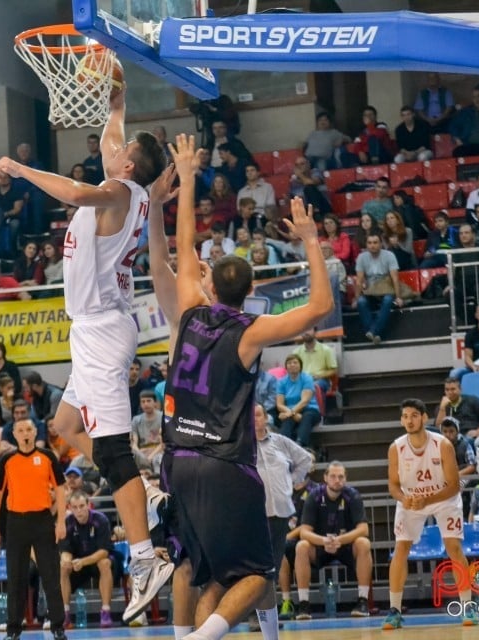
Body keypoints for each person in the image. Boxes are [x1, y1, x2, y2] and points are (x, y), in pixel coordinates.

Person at [0, 92, 173, 624]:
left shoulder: (114, 190)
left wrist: (18, 166)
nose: (106, 149)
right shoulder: (129, 182)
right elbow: (115, 130)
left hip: (101, 330)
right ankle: (151, 497)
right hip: (94, 326)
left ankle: (142, 560)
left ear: (128, 164)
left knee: (113, 453)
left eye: (116, 150)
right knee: (64, 423)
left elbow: (71, 191)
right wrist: (115, 94)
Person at [165, 133, 332, 640]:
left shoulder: (192, 307)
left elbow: (185, 240)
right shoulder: (250, 334)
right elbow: (321, 305)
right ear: (252, 292)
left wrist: (189, 178)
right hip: (221, 463)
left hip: (175, 459)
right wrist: (308, 238)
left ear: (212, 284)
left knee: (210, 574)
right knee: (259, 575)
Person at [384, 398, 477, 629]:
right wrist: (404, 498)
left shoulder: (442, 444)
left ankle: (468, 605)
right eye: (405, 416)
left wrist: (427, 499)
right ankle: (394, 609)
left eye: (414, 415)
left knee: (454, 547)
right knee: (401, 548)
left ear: (424, 418)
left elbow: (455, 485)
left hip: (444, 499)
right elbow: (393, 485)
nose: (409, 420)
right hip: (411, 499)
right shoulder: (396, 448)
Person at [0, 420, 67, 640]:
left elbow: (60, 489)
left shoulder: (48, 457)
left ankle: (58, 626)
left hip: (42, 520)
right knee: (16, 577)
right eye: (20, 430)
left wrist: (61, 521)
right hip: (16, 522)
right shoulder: (7, 460)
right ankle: (13, 629)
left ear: (35, 432)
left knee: (51, 575)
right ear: (13, 434)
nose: (25, 434)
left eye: (29, 430)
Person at [253, 404, 311, 625]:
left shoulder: (281, 442)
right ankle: (254, 615)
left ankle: (268, 616)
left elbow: (305, 460)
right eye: (250, 417)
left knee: (273, 568)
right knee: (255, 568)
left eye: (258, 415)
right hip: (254, 515)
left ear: (266, 417)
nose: (255, 420)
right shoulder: (240, 445)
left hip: (280, 512)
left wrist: (292, 481)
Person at [293, 462, 373, 620]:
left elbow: (363, 529)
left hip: (345, 546)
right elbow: (304, 532)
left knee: (364, 543)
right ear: (325, 478)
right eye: (333, 476)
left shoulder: (353, 496)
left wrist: (340, 540)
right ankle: (304, 605)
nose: (337, 480)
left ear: (346, 479)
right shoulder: (314, 496)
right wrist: (323, 540)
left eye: (341, 477)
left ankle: (362, 601)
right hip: (321, 546)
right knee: (301, 546)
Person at [58, 491, 115, 628]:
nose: (79, 510)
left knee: (104, 563)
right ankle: (64, 614)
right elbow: (65, 550)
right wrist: (66, 560)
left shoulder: (101, 519)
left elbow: (104, 551)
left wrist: (83, 561)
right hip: (78, 564)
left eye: (82, 506)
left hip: (98, 561)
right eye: (75, 507)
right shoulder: (67, 522)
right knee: (63, 567)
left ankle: (106, 612)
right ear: (70, 508)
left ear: (89, 505)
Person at [353, 232, 402, 345]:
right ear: (366, 245)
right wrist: (356, 297)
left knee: (388, 300)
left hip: (386, 288)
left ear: (381, 244)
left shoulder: (389, 255)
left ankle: (372, 331)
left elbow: (395, 278)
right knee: (361, 302)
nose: (372, 245)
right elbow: (359, 280)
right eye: (369, 243)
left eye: (375, 242)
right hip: (370, 291)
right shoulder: (361, 257)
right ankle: (376, 334)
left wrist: (399, 297)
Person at [275, 354, 321, 448]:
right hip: (289, 410)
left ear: (300, 365)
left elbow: (305, 401)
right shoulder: (281, 382)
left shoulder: (307, 378)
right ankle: (283, 446)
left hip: (309, 409)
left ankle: (300, 444)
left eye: (295, 362)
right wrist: (291, 413)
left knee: (307, 416)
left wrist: (291, 412)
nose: (292, 365)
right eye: (289, 363)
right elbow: (279, 404)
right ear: (286, 367)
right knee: (287, 420)